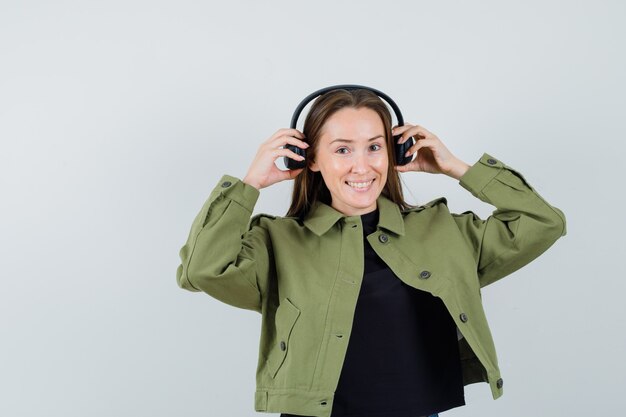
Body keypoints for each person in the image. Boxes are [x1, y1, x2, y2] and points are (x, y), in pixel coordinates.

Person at [176, 87, 567, 417]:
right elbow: (201, 270)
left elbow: (543, 223)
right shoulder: (278, 241)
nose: (362, 166)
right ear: (310, 158)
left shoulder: (443, 230)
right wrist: (249, 184)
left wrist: (457, 168)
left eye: (374, 147)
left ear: (394, 154)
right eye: (342, 150)